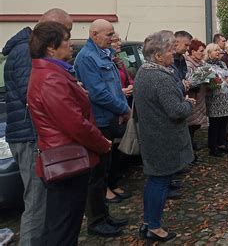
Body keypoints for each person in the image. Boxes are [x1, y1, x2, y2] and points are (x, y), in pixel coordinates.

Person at [27, 21, 111, 246]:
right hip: (66, 161)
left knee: (63, 224)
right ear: (51, 48)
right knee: (63, 228)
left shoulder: (54, 73)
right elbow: (75, 124)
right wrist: (102, 143)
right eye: (66, 39)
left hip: (66, 158)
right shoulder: (51, 78)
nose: (71, 43)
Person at [2, 8, 72, 245]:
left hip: (30, 135)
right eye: (67, 32)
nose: (68, 38)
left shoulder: (28, 48)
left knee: (41, 198)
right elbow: (32, 96)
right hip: (29, 136)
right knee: (36, 200)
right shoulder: (25, 52)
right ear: (51, 28)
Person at [134, 30, 195, 242]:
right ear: (158, 56)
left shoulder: (144, 71)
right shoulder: (160, 77)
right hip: (163, 138)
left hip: (153, 135)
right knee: (159, 182)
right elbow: (176, 111)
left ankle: (149, 221)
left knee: (155, 180)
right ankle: (154, 227)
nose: (173, 54)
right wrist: (188, 103)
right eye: (170, 50)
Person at [74, 19, 130, 237]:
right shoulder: (87, 58)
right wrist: (122, 108)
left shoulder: (103, 53)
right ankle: (96, 221)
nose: (112, 37)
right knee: (96, 175)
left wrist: (121, 107)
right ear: (94, 34)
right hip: (99, 120)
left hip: (110, 117)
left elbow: (114, 86)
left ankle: (104, 216)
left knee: (104, 169)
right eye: (108, 34)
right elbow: (97, 93)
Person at [105, 34, 133, 204]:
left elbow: (128, 78)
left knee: (116, 150)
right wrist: (120, 93)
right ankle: (105, 187)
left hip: (123, 106)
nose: (119, 43)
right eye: (115, 40)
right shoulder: (100, 61)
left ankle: (113, 182)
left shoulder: (118, 61)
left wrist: (130, 86)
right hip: (113, 109)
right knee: (106, 153)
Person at [205, 43, 228, 156]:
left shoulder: (222, 63)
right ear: (209, 53)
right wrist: (224, 82)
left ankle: (222, 144)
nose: (218, 52)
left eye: (219, 50)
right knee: (214, 124)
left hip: (224, 96)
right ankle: (213, 147)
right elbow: (209, 85)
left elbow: (227, 76)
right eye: (215, 50)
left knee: (223, 122)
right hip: (214, 98)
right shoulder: (206, 66)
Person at [185, 39, 208, 151]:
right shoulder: (189, 65)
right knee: (191, 124)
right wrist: (202, 78)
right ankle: (189, 149)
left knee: (196, 124)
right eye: (201, 51)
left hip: (200, 98)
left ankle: (191, 143)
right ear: (193, 52)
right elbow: (189, 82)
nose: (203, 53)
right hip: (193, 97)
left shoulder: (202, 63)